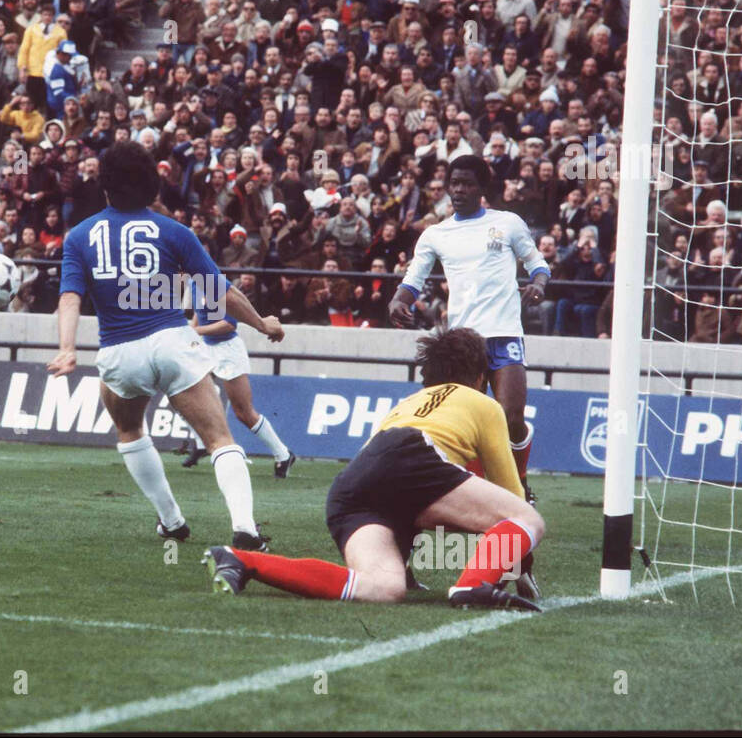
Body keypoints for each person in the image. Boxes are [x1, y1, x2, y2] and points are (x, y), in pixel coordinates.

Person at [202, 328, 545, 611]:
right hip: (414, 459)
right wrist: (513, 561)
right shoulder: (483, 403)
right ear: (481, 377)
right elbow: (510, 500)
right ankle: (471, 588)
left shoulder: (406, 403)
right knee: (526, 518)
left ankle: (242, 560)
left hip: (353, 485)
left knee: (381, 586)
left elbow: (395, 478)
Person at [48, 141, 284, 548]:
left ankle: (172, 522)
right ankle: (245, 529)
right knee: (220, 438)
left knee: (129, 430)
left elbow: (69, 297)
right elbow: (219, 292)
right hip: (174, 342)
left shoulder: (79, 236)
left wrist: (67, 347)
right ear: (152, 187)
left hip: (120, 350)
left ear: (105, 187)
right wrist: (262, 323)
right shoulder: (174, 231)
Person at [388, 155, 549, 549]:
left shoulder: (507, 223)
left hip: (506, 333)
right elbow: (414, 277)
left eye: (465, 183)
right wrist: (399, 298)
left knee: (510, 419)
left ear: (481, 187)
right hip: (463, 343)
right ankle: (467, 499)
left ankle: (519, 485)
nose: (457, 190)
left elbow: (537, 263)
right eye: (452, 183)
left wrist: (538, 284)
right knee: (463, 429)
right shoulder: (436, 234)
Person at [180, 278, 297, 475]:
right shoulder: (193, 284)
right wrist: (193, 334)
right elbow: (199, 316)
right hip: (206, 347)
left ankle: (283, 454)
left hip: (228, 350)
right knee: (183, 393)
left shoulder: (216, 283)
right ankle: (201, 444)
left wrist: (194, 330)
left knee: (243, 412)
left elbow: (229, 325)